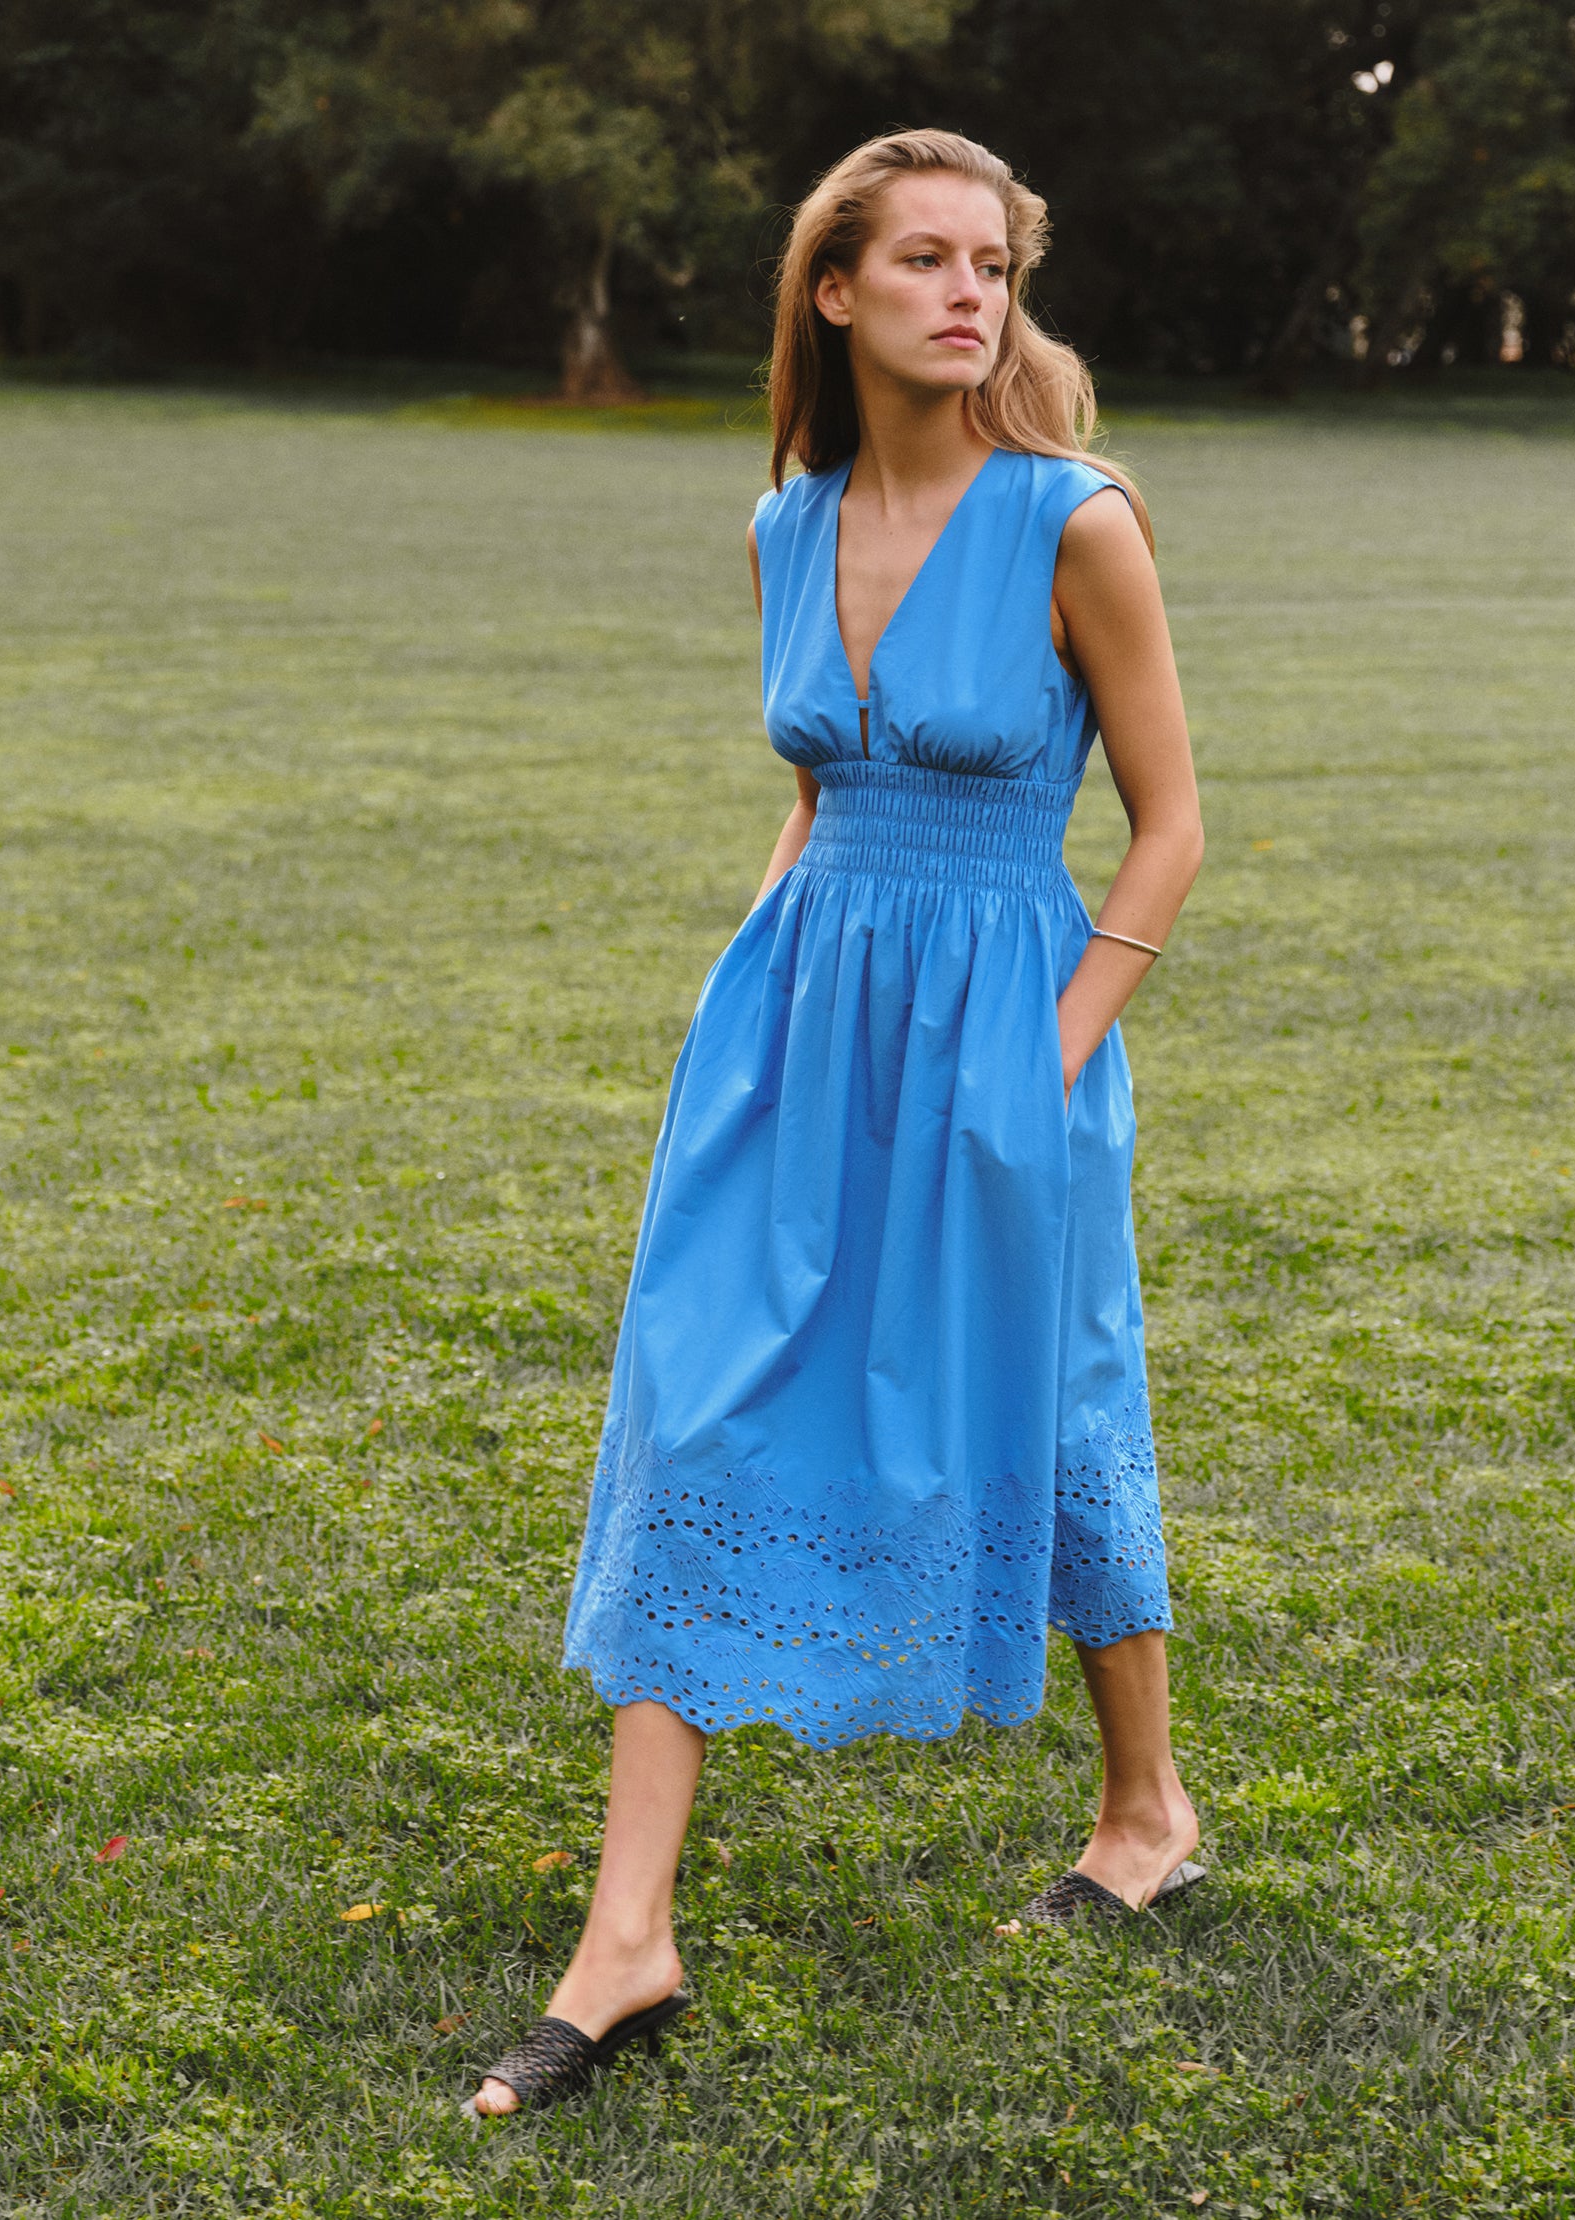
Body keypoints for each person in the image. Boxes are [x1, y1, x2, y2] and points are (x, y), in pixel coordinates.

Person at [468, 128, 1206, 2117]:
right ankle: (628, 1939)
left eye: (994, 266)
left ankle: (1145, 1807)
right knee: (695, 1401)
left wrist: (1045, 1059)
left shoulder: (1076, 523)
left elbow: (1177, 828)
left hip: (1009, 1028)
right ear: (836, 290)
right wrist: (761, 969)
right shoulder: (784, 526)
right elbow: (817, 781)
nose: (970, 295)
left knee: (1047, 1402)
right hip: (790, 1039)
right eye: (929, 264)